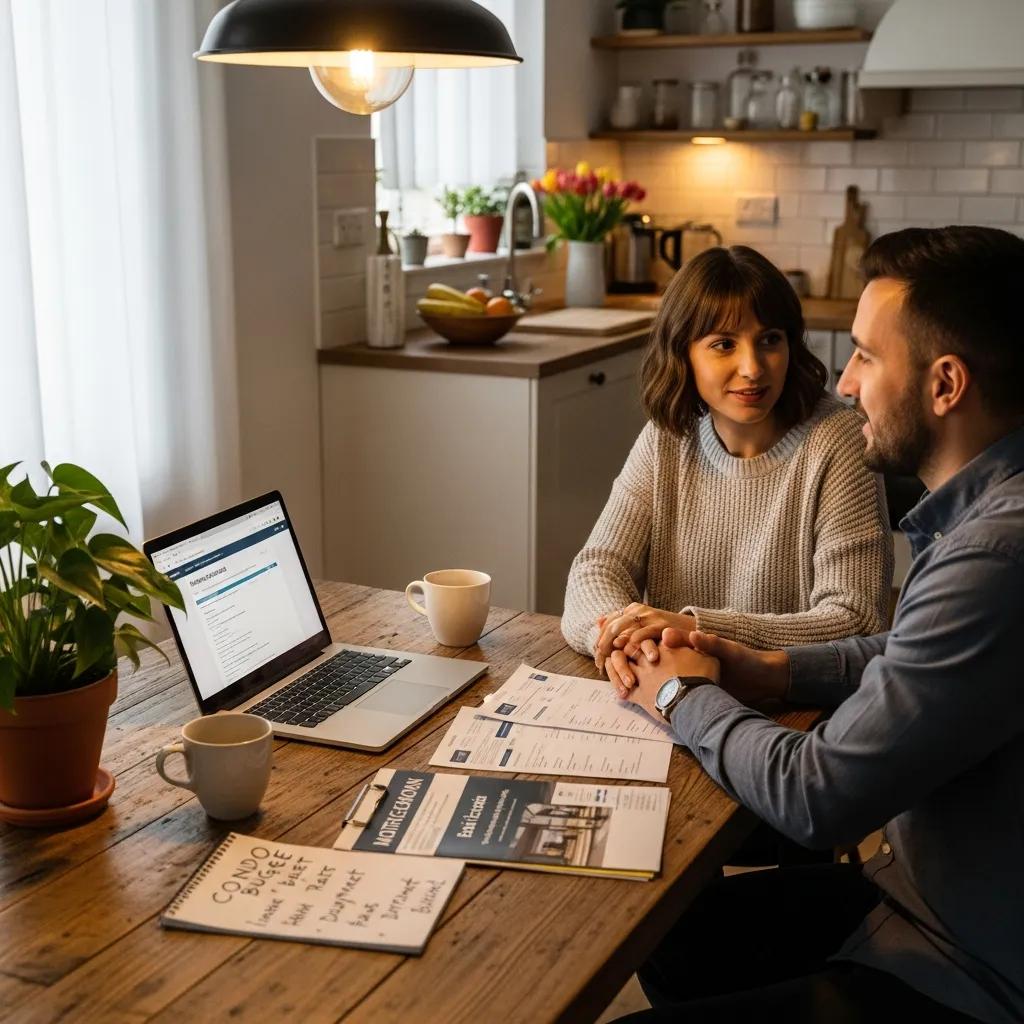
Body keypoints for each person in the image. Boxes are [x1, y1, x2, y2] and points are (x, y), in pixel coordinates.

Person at [614, 225, 1024, 1024]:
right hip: (915, 901)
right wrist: (773, 669)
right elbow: (911, 651)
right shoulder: (989, 519)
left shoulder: (997, 556)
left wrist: (680, 698)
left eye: (867, 355)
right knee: (665, 933)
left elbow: (821, 797)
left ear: (944, 385)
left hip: (966, 972)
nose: (843, 382)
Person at [560, 245, 892, 698]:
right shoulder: (668, 437)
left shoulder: (839, 441)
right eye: (723, 344)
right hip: (673, 691)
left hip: (794, 714)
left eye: (770, 339)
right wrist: (620, 638)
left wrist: (696, 629)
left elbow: (855, 619)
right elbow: (597, 567)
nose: (752, 368)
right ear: (684, 353)